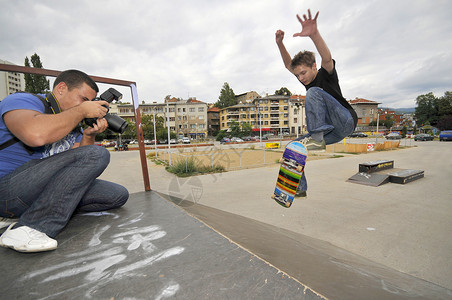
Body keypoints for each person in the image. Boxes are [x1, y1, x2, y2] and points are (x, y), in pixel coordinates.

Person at [0, 69, 129, 252]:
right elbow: (35, 135)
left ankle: (17, 217)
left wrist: (89, 135)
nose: (88, 106)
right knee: (99, 154)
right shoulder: (23, 101)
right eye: (84, 99)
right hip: (7, 189)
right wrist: (82, 110)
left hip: (34, 193)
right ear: (61, 89)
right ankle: (31, 227)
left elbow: (80, 166)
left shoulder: (73, 124)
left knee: (116, 194)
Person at [276, 9, 357, 197]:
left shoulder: (325, 74)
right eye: (297, 75)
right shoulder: (303, 78)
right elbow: (289, 65)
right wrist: (280, 44)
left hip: (345, 120)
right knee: (293, 148)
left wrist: (314, 34)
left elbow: (326, 58)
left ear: (314, 67)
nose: (301, 78)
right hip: (333, 132)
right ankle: (299, 188)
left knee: (312, 92)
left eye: (303, 73)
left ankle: (316, 136)